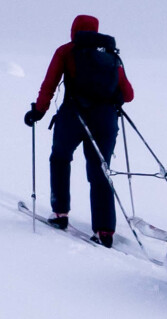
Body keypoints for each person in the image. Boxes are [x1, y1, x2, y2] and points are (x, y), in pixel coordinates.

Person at [23, 14, 133, 244]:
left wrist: (39, 112)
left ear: (73, 30)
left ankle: (60, 214)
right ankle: (104, 231)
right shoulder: (109, 54)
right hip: (106, 120)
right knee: (100, 170)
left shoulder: (66, 51)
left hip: (73, 116)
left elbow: (49, 84)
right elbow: (129, 94)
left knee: (60, 158)